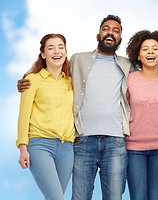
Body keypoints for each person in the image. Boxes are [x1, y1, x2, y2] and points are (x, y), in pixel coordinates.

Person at [17, 15, 133, 200]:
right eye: (106, 29)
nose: (110, 33)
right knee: (75, 196)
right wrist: (24, 81)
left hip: (110, 142)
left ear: (120, 38)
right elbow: (49, 72)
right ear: (97, 35)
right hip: (81, 140)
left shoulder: (127, 65)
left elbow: (150, 72)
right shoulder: (78, 60)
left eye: (116, 31)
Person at [16, 33, 75, 200]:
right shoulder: (32, 80)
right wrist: (22, 147)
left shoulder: (72, 81)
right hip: (40, 145)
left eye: (60, 47)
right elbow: (24, 115)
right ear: (43, 54)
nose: (56, 51)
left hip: (67, 147)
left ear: (65, 51)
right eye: (51, 48)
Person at [125, 30, 158, 200]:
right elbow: (124, 108)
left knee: (155, 196)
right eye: (145, 49)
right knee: (138, 196)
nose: (150, 52)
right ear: (138, 56)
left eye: (155, 48)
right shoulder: (129, 79)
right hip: (133, 148)